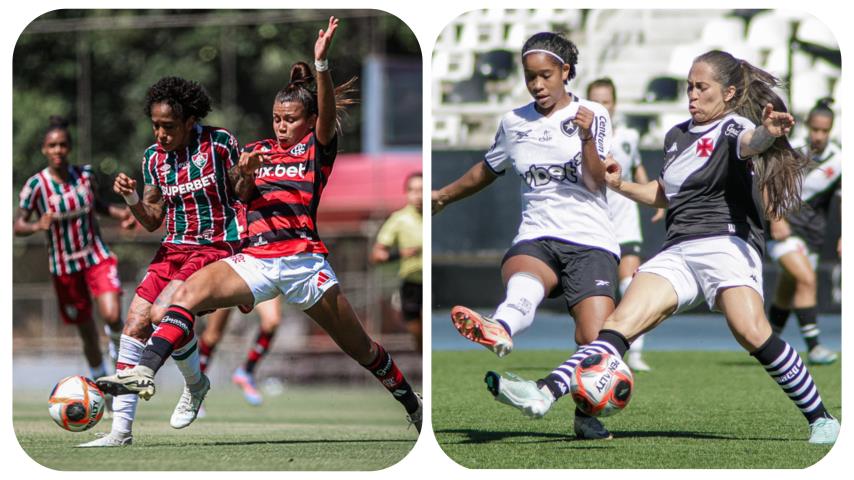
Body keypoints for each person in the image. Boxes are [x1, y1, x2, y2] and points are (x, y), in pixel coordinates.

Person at [488, 50, 840, 444]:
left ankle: (821, 418)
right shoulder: (676, 135)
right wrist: (618, 184)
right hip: (678, 249)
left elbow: (751, 141)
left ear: (728, 93)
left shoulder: (733, 126)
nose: (692, 94)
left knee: (751, 332)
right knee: (616, 327)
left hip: (726, 244)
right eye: (689, 86)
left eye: (701, 87)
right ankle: (545, 391)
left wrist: (767, 133)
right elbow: (663, 193)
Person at [97, 16, 423, 433]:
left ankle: (410, 401)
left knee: (363, 351)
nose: (282, 126)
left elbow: (326, 116)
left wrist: (321, 65)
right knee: (186, 295)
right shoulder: (255, 149)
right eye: (276, 118)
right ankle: (144, 371)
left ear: (310, 120)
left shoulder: (316, 148)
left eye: (291, 119)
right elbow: (240, 194)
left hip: (304, 263)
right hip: (256, 260)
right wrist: (246, 172)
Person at [432, 32, 618, 439]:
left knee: (595, 341)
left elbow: (595, 181)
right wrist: (443, 196)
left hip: (590, 240)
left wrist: (587, 137)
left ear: (565, 72)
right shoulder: (514, 122)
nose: (536, 85)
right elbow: (487, 168)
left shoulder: (593, 113)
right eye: (529, 77)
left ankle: (585, 416)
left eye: (545, 76)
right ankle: (500, 327)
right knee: (524, 279)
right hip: (537, 234)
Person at [79, 76, 247, 447]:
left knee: (162, 313)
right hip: (173, 248)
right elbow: (154, 219)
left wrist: (248, 174)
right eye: (155, 125)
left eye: (168, 126)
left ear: (190, 121)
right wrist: (132, 200)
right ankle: (121, 432)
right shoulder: (153, 159)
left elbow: (244, 193)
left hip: (216, 245)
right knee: (136, 321)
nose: (160, 133)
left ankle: (193, 384)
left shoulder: (220, 144)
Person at [14, 116, 135, 382]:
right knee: (87, 333)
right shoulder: (36, 186)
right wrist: (36, 225)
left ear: (69, 147)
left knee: (113, 314)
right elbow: (17, 225)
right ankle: (101, 384)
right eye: (52, 145)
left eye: (62, 144)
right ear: (44, 149)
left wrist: (122, 214)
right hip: (64, 268)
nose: (58, 150)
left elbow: (98, 205)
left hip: (95, 256)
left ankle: (119, 360)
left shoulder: (85, 175)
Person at [767, 98, 840, 365]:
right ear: (807, 126)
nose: (819, 135)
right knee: (806, 278)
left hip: (812, 236)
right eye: (815, 129)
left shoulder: (840, 159)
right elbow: (767, 184)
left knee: (787, 289)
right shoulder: (790, 149)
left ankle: (767, 342)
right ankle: (815, 347)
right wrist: (776, 219)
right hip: (784, 232)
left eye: (824, 130)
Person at [587, 78, 652, 372]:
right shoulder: (578, 138)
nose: (601, 107)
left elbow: (637, 166)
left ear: (614, 104)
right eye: (595, 101)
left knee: (631, 284)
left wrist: (649, 195)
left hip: (625, 221)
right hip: (594, 222)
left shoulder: (628, 136)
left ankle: (635, 351)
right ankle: (593, 348)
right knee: (597, 291)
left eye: (606, 101)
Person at [371, 171, 423, 352]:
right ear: (407, 193)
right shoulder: (399, 219)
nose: (418, 195)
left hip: (433, 280)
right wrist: (401, 254)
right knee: (417, 333)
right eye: (413, 190)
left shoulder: (434, 213)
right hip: (411, 283)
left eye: (422, 190)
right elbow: (377, 255)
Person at [198, 297, 283, 406]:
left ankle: (246, 371)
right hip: (228, 286)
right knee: (213, 336)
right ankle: (195, 388)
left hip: (255, 285)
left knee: (272, 321)